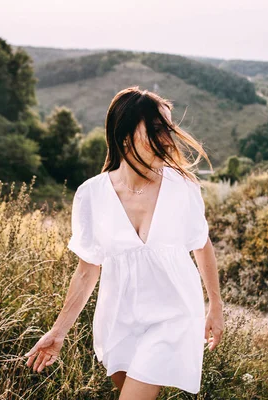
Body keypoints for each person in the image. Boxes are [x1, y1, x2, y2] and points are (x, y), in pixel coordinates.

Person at [24, 87, 225, 399]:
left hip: (172, 316)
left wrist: (215, 305)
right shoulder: (91, 195)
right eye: (157, 129)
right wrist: (58, 331)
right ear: (126, 135)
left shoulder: (183, 187)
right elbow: (86, 270)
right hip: (118, 319)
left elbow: (202, 244)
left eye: (169, 129)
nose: (168, 138)